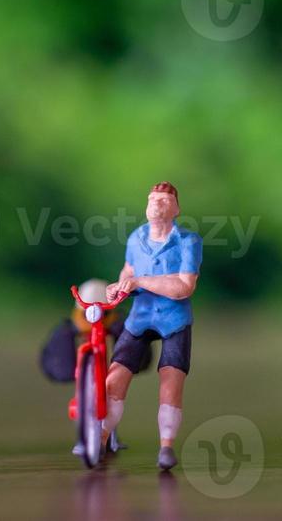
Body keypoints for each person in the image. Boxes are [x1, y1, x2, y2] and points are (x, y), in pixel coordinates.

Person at [103, 181, 202, 471]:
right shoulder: (136, 238)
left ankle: (166, 446)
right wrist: (119, 287)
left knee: (171, 381)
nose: (155, 204)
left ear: (176, 208)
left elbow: (183, 287)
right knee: (115, 375)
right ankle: (100, 437)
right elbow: (129, 271)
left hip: (174, 320)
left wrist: (140, 282)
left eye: (163, 200)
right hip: (140, 316)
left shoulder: (189, 241)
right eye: (152, 199)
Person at [39, 278, 148, 455]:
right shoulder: (71, 328)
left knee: (113, 390)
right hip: (87, 351)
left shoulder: (115, 322)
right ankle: (87, 433)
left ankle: (109, 433)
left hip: (108, 350)